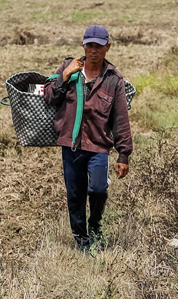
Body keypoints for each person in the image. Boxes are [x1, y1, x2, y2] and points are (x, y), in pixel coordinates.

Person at [44, 25, 133, 252]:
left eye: (98, 46)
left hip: (99, 146)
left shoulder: (114, 79)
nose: (93, 50)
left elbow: (120, 119)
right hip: (71, 145)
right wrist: (64, 76)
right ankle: (82, 240)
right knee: (75, 195)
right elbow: (50, 97)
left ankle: (94, 225)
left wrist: (124, 154)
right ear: (83, 45)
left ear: (107, 47)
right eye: (89, 45)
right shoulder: (68, 67)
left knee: (98, 190)